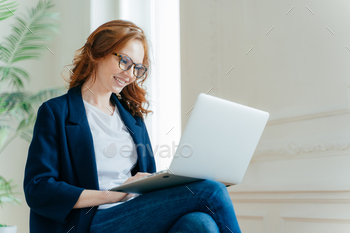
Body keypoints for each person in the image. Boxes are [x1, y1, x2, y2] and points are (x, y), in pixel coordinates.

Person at [23, 20, 241, 233]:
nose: (129, 74)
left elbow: (146, 179)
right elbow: (38, 189)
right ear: (98, 52)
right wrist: (112, 194)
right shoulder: (56, 112)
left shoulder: (132, 118)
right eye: (124, 61)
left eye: (137, 68)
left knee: (201, 224)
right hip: (91, 220)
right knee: (211, 191)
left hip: (134, 213)